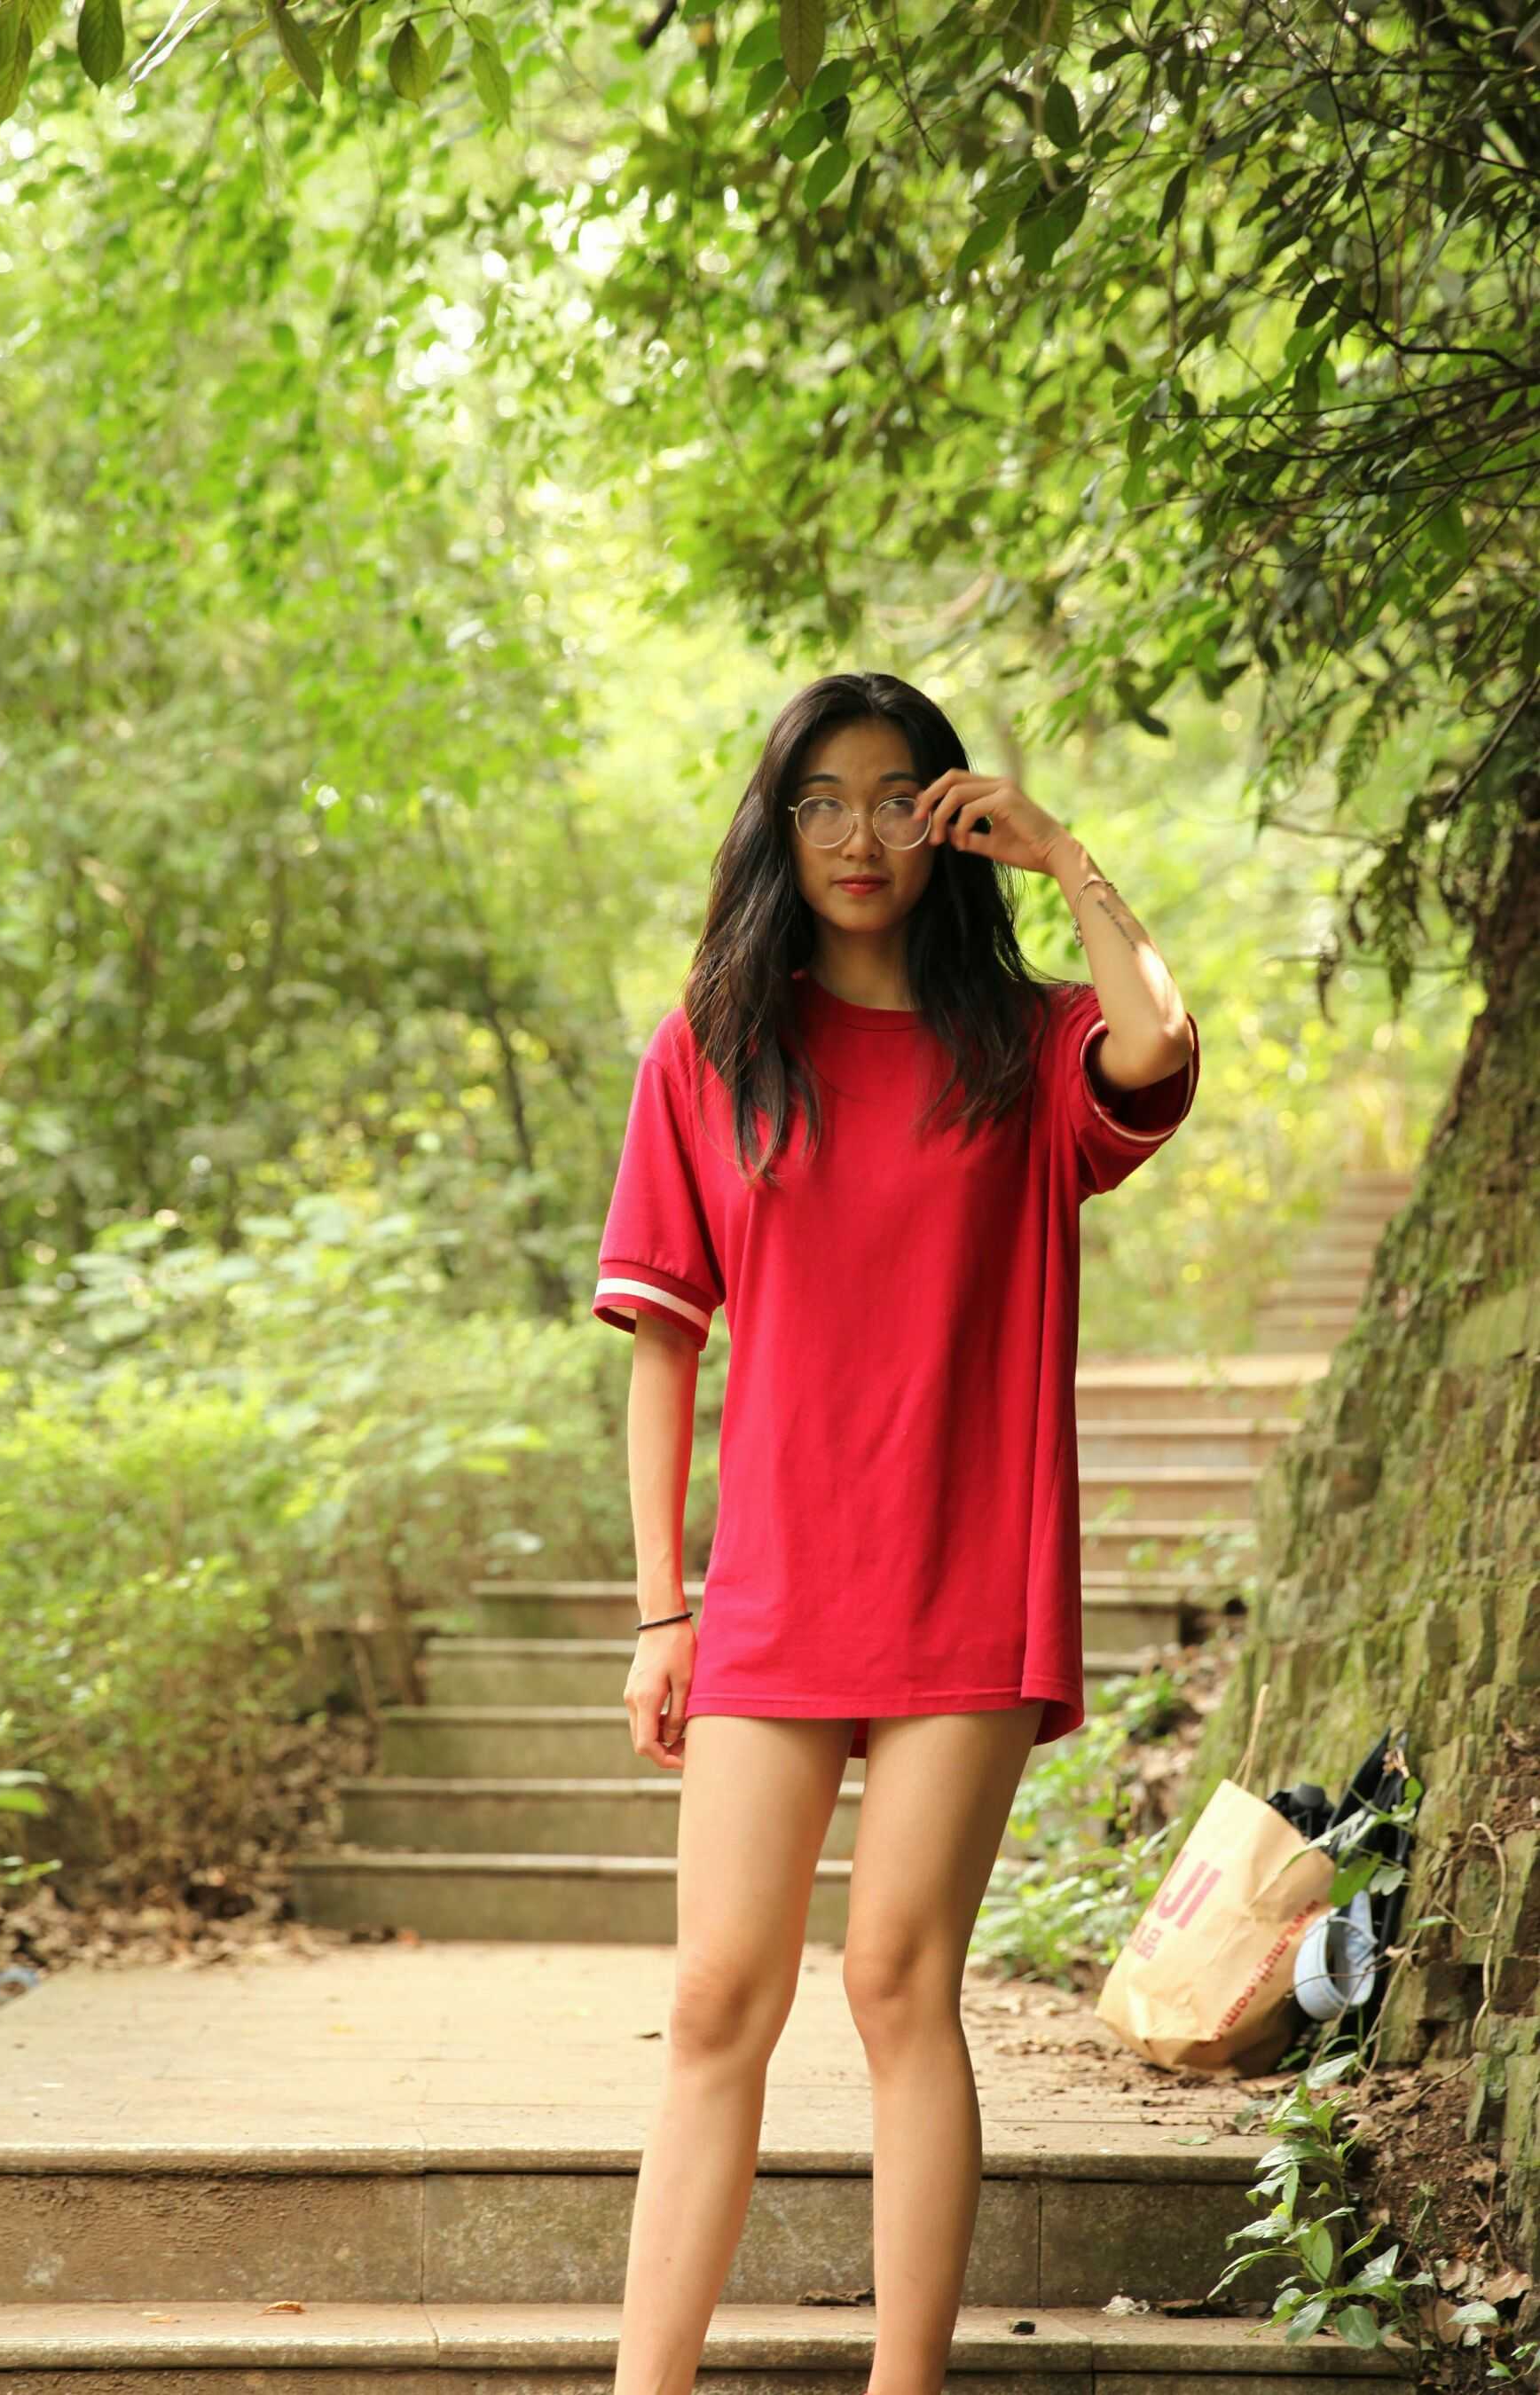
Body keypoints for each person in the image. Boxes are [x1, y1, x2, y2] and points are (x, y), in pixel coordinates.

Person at [592, 671, 1200, 2395]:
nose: (858, 836)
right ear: (779, 827)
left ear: (948, 822)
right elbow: (662, 1346)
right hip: (775, 1588)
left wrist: (1062, 854)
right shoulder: (715, 1048)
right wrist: (661, 1609)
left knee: (896, 1981)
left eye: (895, 799)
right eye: (821, 802)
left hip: (965, 1577)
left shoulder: (1031, 1044)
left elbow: (1158, 1043)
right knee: (718, 1998)